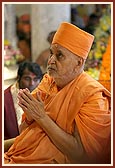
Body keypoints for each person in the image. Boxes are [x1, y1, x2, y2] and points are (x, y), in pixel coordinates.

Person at [4, 22, 111, 164]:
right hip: (21, 155)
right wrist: (30, 115)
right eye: (51, 53)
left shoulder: (93, 96)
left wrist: (42, 118)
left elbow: (82, 156)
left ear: (79, 63)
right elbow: (26, 133)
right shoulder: (48, 81)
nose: (51, 60)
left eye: (59, 55)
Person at [4, 61, 43, 140]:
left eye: (36, 79)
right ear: (18, 77)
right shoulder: (5, 100)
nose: (32, 83)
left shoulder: (42, 94)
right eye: (27, 78)